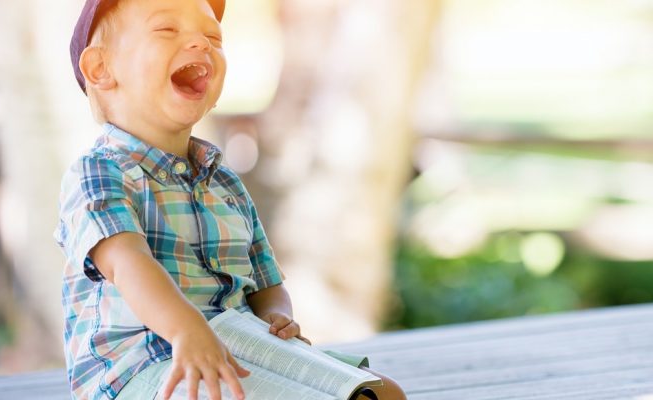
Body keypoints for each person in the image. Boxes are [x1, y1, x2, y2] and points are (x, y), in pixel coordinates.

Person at [55, 0, 406, 399]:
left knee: (383, 393)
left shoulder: (224, 182)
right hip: (145, 367)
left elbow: (266, 283)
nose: (200, 44)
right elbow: (127, 263)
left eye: (212, 37)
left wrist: (278, 316)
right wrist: (188, 328)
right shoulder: (98, 173)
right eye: (167, 30)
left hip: (242, 348)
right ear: (101, 68)